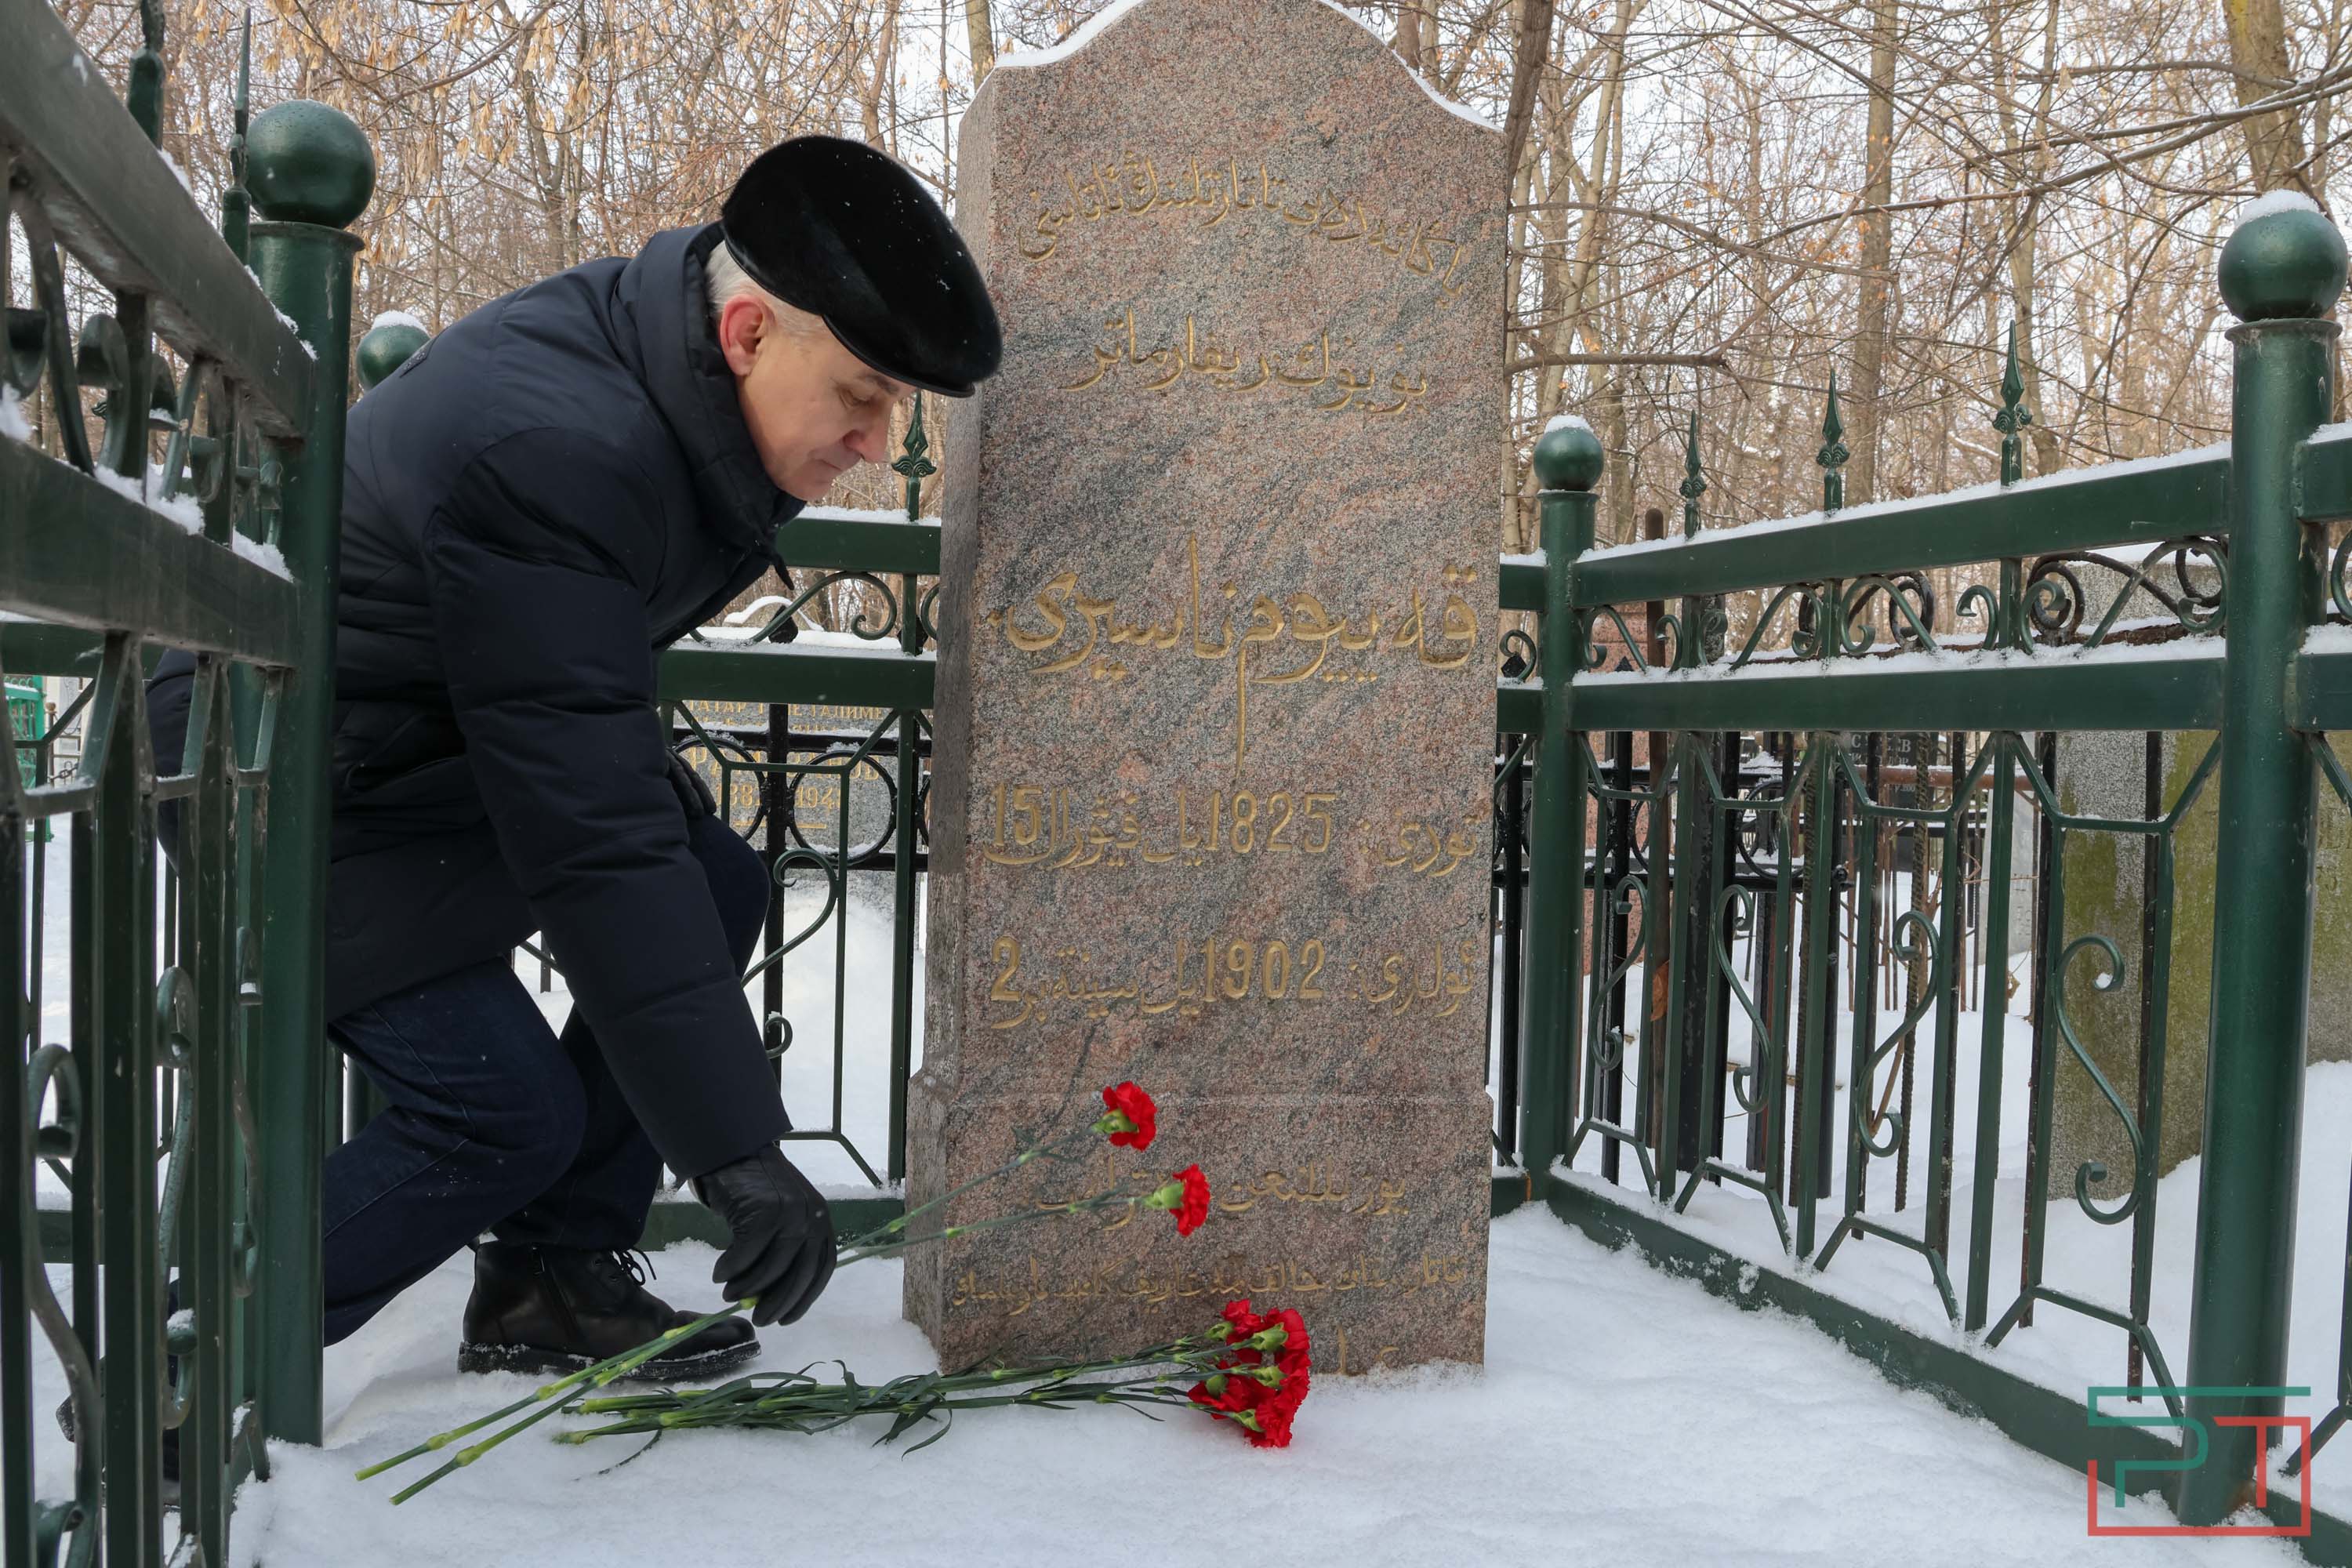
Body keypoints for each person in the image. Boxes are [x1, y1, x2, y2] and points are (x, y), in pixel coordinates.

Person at [150, 134, 1002, 1381]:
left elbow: (579, 743)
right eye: (865, 395)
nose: (877, 443)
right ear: (752, 332)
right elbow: (588, 827)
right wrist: (737, 1151)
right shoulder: (562, 445)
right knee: (500, 1114)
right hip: (285, 776)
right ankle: (197, 1348)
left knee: (714, 883)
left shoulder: (656, 362)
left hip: (417, 754)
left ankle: (550, 1277)